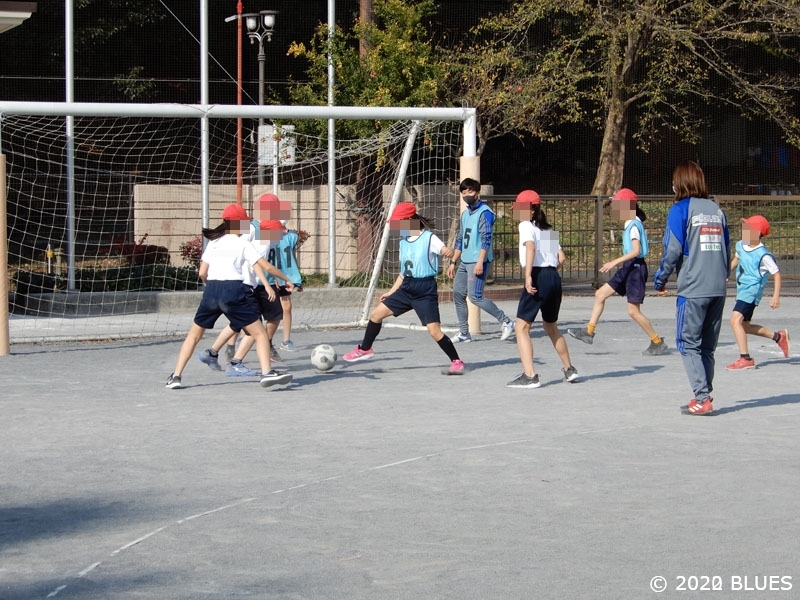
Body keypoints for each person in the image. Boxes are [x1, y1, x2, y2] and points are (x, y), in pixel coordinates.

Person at [166, 204, 293, 390]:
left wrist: (213, 288)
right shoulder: (242, 243)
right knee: (260, 333)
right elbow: (267, 267)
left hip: (211, 290)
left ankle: (176, 377)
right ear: (240, 223)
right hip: (233, 289)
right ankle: (267, 373)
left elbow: (202, 273)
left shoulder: (214, 242)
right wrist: (287, 279)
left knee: (193, 336)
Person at [343, 202, 465, 375]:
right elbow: (403, 272)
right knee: (376, 315)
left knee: (434, 331)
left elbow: (447, 251)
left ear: (409, 220)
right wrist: (391, 292)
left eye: (398, 223)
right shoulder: (403, 242)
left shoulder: (429, 238)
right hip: (406, 287)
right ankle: (365, 349)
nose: (396, 227)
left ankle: (457, 361)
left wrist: (449, 251)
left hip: (425, 290)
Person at [653, 162, 730, 415]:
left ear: (681, 183)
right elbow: (726, 249)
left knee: (687, 343)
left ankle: (702, 397)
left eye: (674, 181)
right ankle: (704, 393)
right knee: (707, 346)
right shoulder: (717, 211)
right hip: (718, 287)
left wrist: (660, 279)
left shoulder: (680, 209)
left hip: (693, 287)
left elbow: (672, 249)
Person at [568, 188, 668, 355]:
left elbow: (636, 251)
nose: (614, 208)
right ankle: (589, 332)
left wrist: (614, 261)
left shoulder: (633, 225)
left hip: (635, 269)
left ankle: (657, 342)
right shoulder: (630, 222)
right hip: (628, 267)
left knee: (633, 311)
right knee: (600, 294)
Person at [506, 190, 579, 388]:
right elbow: (561, 258)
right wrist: (550, 274)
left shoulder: (525, 225)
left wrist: (529, 275)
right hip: (553, 277)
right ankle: (569, 369)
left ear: (531, 210)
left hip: (538, 275)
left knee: (521, 327)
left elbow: (530, 248)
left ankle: (530, 376)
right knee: (551, 326)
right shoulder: (547, 229)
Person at [446, 178, 514, 343]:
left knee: (475, 296)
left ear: (477, 192)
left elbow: (486, 239)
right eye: (463, 192)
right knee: (457, 293)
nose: (466, 194)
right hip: (465, 261)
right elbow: (461, 239)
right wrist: (453, 262)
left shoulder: (485, 213)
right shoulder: (465, 214)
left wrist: (480, 262)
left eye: (470, 191)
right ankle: (464, 333)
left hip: (478, 261)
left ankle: (506, 321)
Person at [725, 214, 790, 370]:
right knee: (745, 326)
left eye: (747, 229)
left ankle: (745, 358)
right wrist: (725, 274)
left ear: (756, 233)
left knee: (735, 321)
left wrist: (775, 296)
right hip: (742, 290)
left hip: (751, 292)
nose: (743, 231)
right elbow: (736, 260)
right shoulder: (740, 245)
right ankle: (779, 337)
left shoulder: (763, 255)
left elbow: (777, 274)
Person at [267, 220, 303, 353]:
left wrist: (297, 279)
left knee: (286, 307)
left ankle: (286, 340)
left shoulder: (291, 236)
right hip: (269, 277)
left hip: (285, 277)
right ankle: (246, 336)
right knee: (262, 310)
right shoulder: (264, 236)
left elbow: (291, 259)